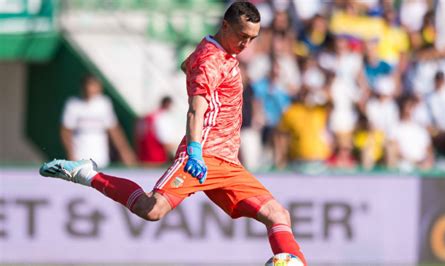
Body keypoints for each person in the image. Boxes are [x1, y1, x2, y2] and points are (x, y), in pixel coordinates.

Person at [39, 2, 307, 264]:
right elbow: (195, 110)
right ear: (225, 26)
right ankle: (87, 173)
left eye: (252, 38)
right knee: (151, 209)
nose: (246, 44)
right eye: (242, 36)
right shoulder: (210, 62)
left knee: (277, 214)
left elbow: (185, 65)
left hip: (228, 161)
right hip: (205, 155)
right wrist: (194, 152)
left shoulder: (213, 50)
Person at [60, 75, 136, 168]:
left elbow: (114, 130)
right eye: (88, 86)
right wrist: (71, 154)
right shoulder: (73, 104)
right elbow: (66, 132)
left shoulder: (104, 103)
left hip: (101, 158)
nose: (90, 89)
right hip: (79, 157)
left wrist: (125, 152)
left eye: (93, 86)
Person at [135, 96, 177, 165]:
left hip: (143, 160)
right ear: (168, 104)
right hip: (157, 161)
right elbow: (166, 143)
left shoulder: (146, 117)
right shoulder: (162, 118)